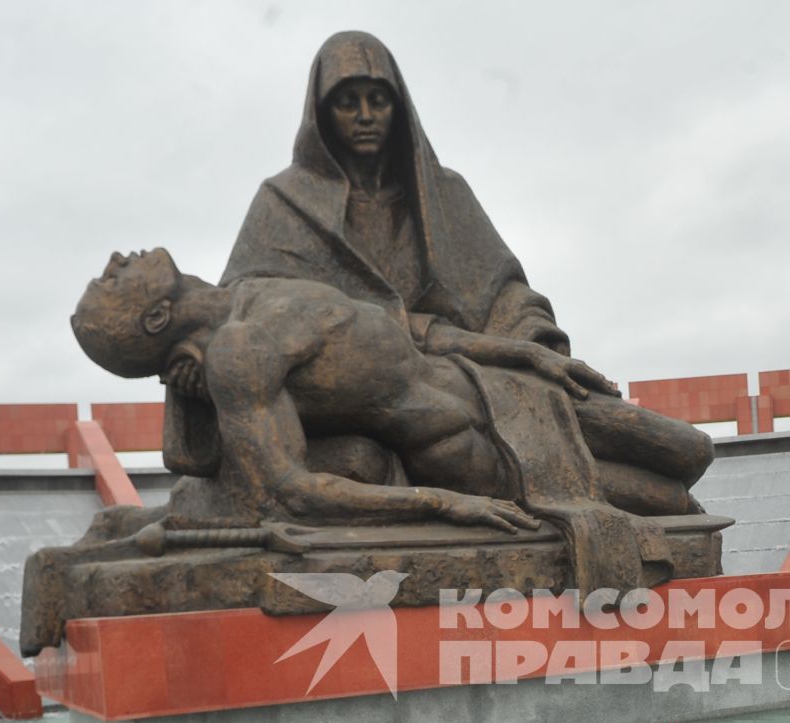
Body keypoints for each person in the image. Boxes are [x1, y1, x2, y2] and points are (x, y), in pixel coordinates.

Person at [215, 30, 708, 515]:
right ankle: (667, 508)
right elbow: (240, 306)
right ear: (321, 113)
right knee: (661, 496)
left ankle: (666, 505)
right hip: (386, 400)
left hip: (484, 371)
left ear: (398, 108)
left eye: (377, 100)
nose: (365, 116)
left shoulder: (444, 194)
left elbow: (507, 293)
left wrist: (532, 344)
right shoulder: (284, 201)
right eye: (347, 102)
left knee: (686, 451)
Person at [71, 247, 707, 530]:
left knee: (694, 451)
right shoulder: (238, 354)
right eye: (109, 284)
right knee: (671, 501)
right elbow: (289, 490)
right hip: (476, 457)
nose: (114, 262)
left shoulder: (256, 288)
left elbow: (422, 338)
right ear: (153, 318)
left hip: (506, 388)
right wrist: (441, 503)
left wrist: (530, 357)